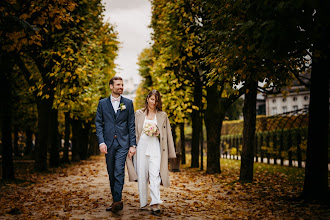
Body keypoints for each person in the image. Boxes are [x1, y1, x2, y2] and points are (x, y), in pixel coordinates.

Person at [127, 89, 176, 215]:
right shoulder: (138, 113)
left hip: (155, 147)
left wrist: (171, 152)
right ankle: (143, 202)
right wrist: (131, 146)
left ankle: (155, 204)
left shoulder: (162, 115)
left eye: (156, 100)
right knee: (142, 175)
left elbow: (168, 134)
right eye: (152, 99)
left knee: (155, 175)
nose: (154, 102)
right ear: (148, 99)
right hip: (141, 147)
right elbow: (132, 130)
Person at [95, 76, 136, 213]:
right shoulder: (102, 104)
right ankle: (115, 200)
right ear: (111, 87)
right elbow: (99, 124)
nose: (121, 87)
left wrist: (132, 145)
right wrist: (101, 142)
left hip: (123, 143)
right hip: (108, 143)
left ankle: (117, 201)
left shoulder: (128, 103)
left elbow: (131, 125)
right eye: (118, 85)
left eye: (122, 85)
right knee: (111, 173)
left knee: (119, 171)